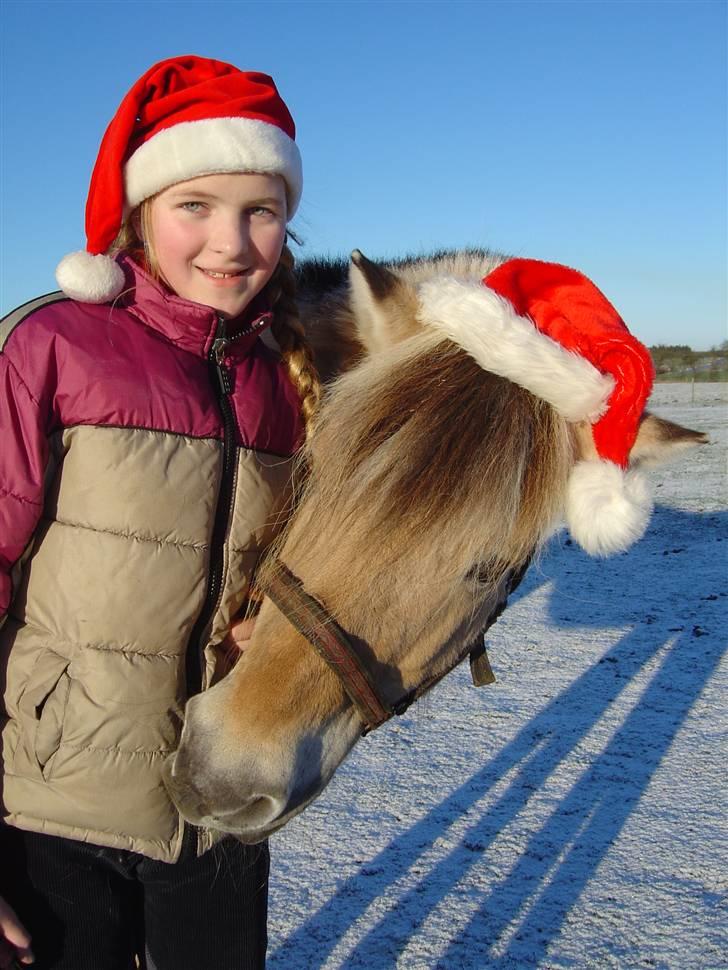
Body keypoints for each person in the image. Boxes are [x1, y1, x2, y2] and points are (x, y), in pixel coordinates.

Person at [0, 54, 320, 969]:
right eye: (195, 206)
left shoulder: (289, 380)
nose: (231, 242)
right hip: (50, 807)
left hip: (219, 806)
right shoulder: (53, 346)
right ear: (141, 214)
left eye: (261, 210)